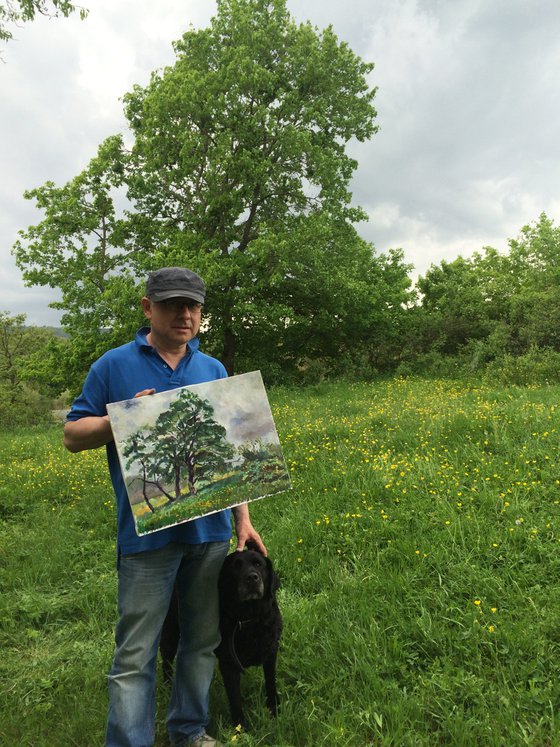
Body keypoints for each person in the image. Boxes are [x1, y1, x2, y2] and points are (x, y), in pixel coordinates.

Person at [64, 267, 266, 747]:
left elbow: (233, 452)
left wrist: (243, 517)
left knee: (202, 641)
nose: (185, 314)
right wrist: (124, 418)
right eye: (173, 303)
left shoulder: (213, 369)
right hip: (146, 537)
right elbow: (72, 435)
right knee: (135, 652)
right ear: (147, 306)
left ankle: (189, 730)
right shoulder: (112, 366)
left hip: (210, 536)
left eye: (193, 305)